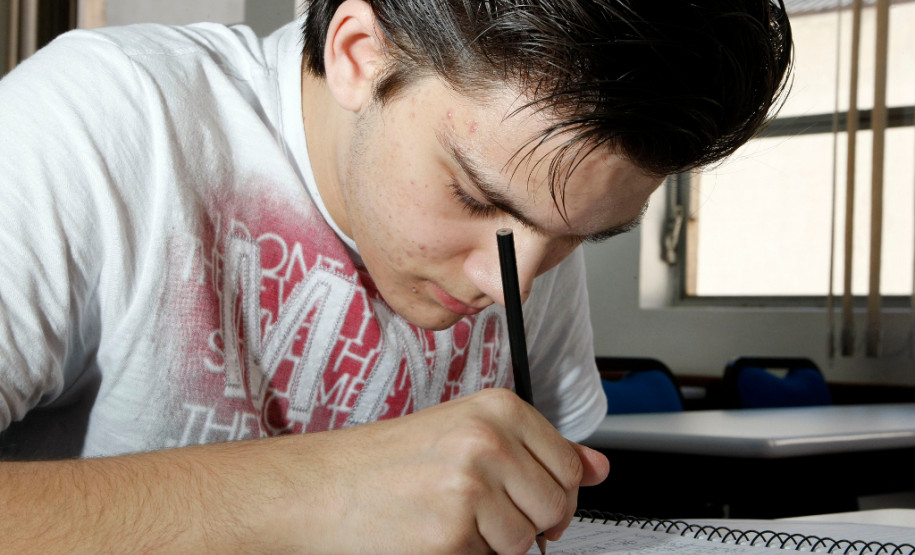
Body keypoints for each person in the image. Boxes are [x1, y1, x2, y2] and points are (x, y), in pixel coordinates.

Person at [0, 0, 792, 552]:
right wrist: (324, 490)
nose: (508, 285)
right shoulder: (96, 124)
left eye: (580, 237)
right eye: (475, 197)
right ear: (356, 52)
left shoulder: (531, 222)